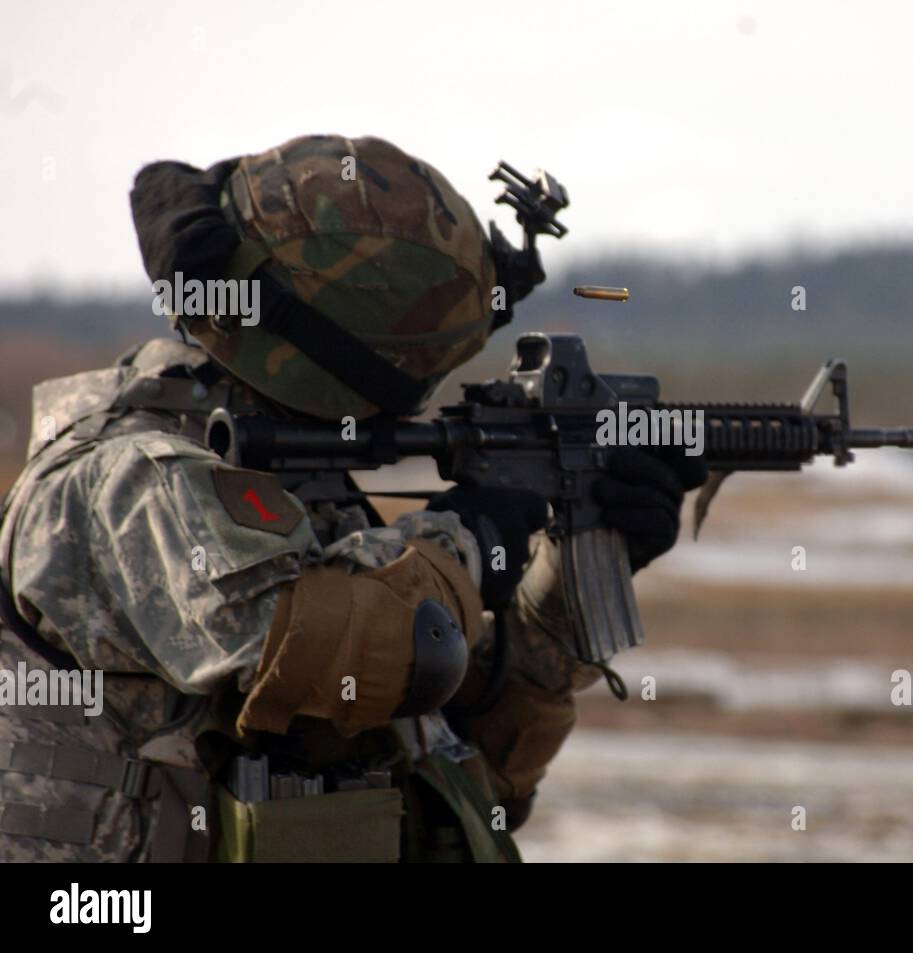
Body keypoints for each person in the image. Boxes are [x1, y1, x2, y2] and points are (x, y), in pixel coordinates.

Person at [0, 134, 703, 862]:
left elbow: (462, 784)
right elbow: (337, 654)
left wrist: (574, 569)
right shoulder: (125, 481)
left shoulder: (290, 487)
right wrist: (467, 538)